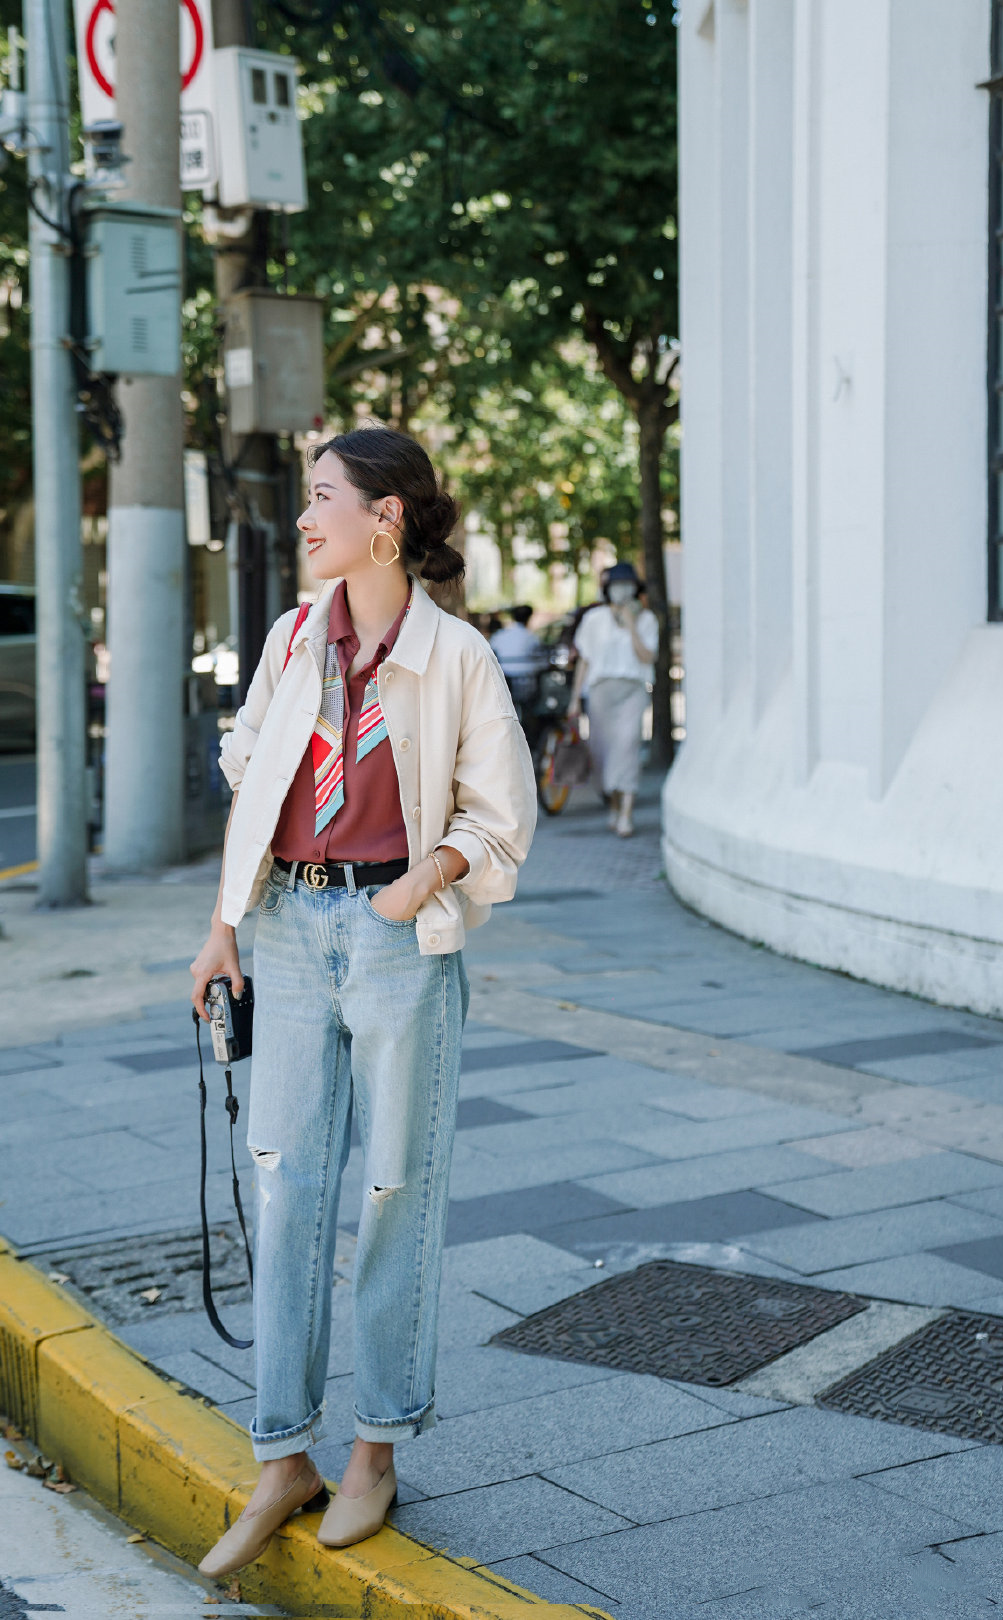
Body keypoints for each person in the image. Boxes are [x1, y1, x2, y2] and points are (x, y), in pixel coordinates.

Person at [189, 425, 536, 1577]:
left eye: (323, 498)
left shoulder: (457, 660)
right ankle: (283, 1454)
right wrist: (225, 926)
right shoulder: (295, 638)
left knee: (394, 1190)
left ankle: (379, 1446)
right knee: (286, 1187)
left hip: (397, 942)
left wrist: (420, 882)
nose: (305, 518)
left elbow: (503, 820)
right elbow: (250, 778)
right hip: (286, 931)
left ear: (385, 519)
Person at [567, 561, 658, 838]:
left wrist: (631, 626)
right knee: (604, 753)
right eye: (617, 586)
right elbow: (584, 659)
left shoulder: (647, 619)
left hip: (632, 689)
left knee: (628, 746)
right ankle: (615, 806)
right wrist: (574, 699)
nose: (622, 591)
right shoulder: (594, 619)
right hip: (601, 691)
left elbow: (648, 657)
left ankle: (627, 814)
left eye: (627, 586)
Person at [490, 603, 545, 713]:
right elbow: (540, 658)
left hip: (506, 680)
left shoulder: (500, 635)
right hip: (528, 682)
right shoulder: (531, 637)